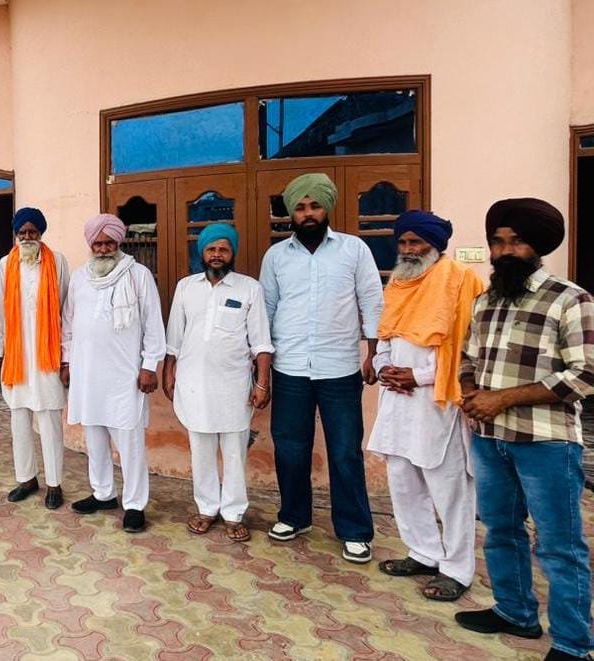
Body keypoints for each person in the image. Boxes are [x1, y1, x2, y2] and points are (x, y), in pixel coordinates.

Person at [454, 198, 594, 661]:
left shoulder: (570, 299)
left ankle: (574, 643)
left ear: (538, 245)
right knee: (500, 530)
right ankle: (515, 612)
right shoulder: (485, 301)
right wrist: (471, 392)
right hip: (490, 439)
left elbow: (585, 374)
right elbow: (468, 359)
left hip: (547, 442)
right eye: (497, 242)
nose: (504, 251)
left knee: (559, 546)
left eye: (516, 242)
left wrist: (503, 398)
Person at [258, 172, 383, 564]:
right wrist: (261, 364)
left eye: (314, 206)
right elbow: (266, 309)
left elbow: (372, 300)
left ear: (327, 208)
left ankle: (355, 530)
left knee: (345, 451)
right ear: (291, 214)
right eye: (300, 207)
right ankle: (294, 517)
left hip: (340, 367)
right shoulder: (276, 257)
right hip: (290, 366)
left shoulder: (353, 249)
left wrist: (374, 353)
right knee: (290, 448)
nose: (308, 213)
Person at [367, 211, 482, 601]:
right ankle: (423, 552)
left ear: (435, 244)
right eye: (403, 242)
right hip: (397, 398)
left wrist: (417, 376)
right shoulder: (399, 281)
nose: (409, 249)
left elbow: (467, 348)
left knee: (449, 488)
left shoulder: (461, 280)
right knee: (403, 480)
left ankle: (457, 569)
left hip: (438, 399)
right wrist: (383, 366)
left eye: (416, 242)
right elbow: (386, 334)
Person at [163, 222, 272, 542]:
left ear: (232, 253)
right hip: (193, 383)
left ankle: (234, 513)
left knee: (235, 451)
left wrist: (262, 383)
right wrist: (169, 372)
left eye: (223, 249)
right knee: (201, 449)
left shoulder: (249, 288)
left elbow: (261, 342)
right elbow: (174, 338)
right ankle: (207, 508)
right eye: (211, 249)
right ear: (202, 253)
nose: (216, 254)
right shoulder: (186, 287)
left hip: (234, 385)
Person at [62, 213, 166, 533]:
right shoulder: (79, 278)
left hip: (125, 376)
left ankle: (134, 504)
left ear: (119, 242)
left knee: (130, 443)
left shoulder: (138, 275)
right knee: (94, 438)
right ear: (90, 244)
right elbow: (68, 324)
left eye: (109, 243)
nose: (104, 248)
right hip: (87, 374)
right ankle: (103, 493)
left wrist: (149, 366)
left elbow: (153, 324)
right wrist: (67, 362)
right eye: (98, 243)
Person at [0, 207, 70, 509]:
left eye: (32, 232)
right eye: (22, 232)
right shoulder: (5, 264)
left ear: (41, 233)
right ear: (16, 234)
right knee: (19, 417)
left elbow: (66, 309)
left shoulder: (58, 261)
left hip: (48, 354)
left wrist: (66, 356)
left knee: (49, 418)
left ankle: (54, 484)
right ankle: (26, 479)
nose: (27, 237)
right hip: (16, 356)